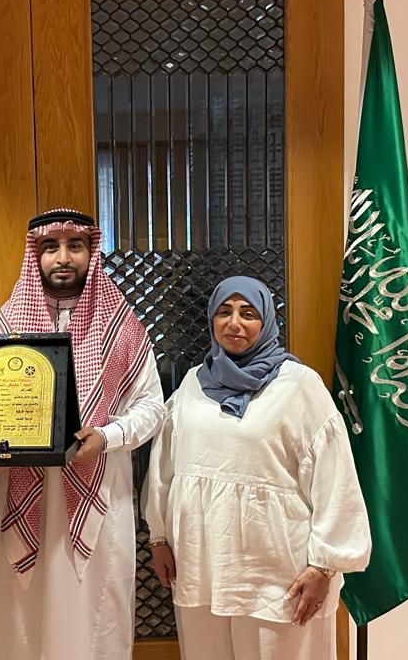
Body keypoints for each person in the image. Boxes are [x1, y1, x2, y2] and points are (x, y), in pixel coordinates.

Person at [144, 276, 371, 660]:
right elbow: (165, 467)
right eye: (224, 312)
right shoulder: (192, 384)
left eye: (248, 313)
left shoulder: (299, 386)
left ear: (266, 321)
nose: (234, 323)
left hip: (278, 572)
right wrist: (159, 537)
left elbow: (335, 479)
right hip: (201, 565)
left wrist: (325, 566)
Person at [0, 208, 166, 658]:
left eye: (75, 246)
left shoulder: (122, 329)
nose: (63, 257)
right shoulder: (3, 329)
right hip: (23, 495)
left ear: (91, 252)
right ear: (36, 256)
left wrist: (108, 436)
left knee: (95, 621)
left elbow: (152, 408)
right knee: (25, 621)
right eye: (51, 247)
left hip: (99, 494)